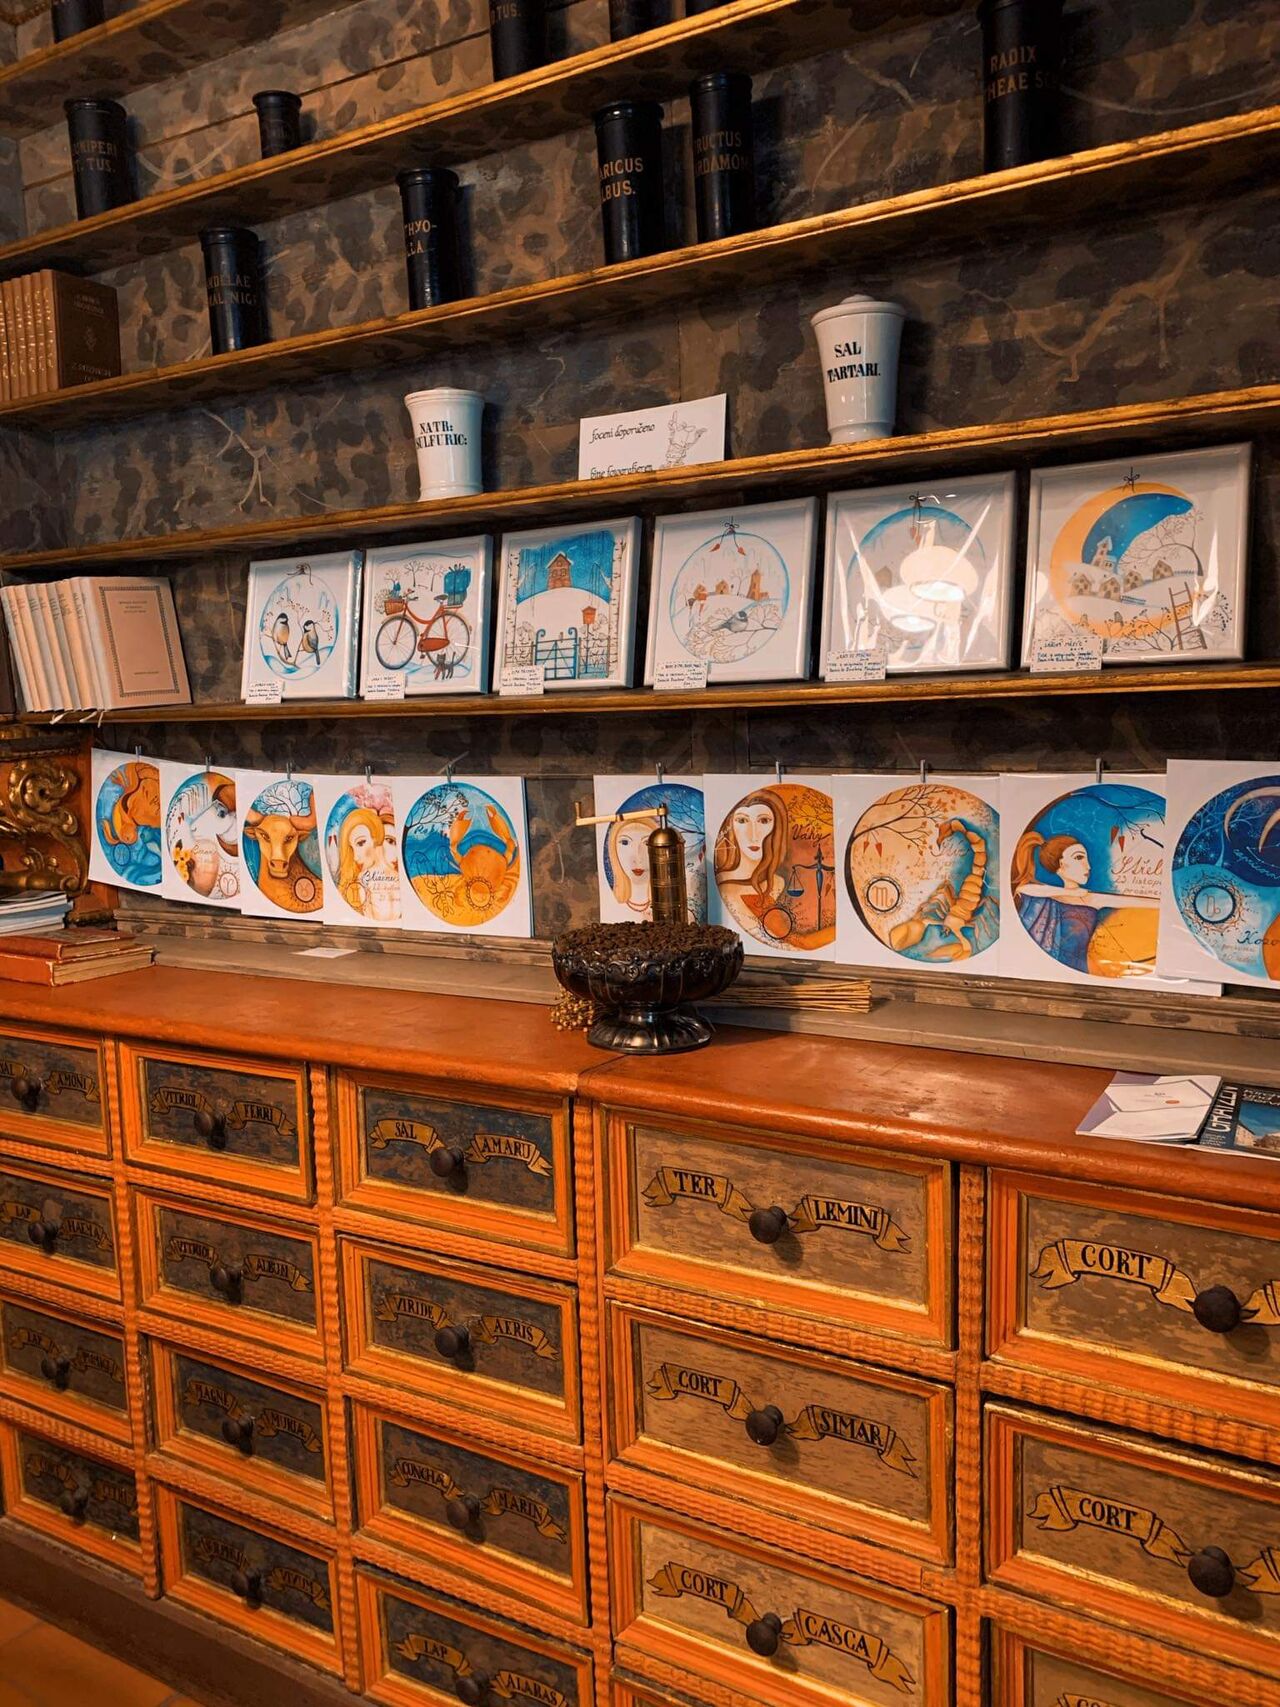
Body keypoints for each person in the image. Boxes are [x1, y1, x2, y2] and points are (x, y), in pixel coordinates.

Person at [1012, 829, 1155, 975]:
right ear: (1060, 864)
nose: (1088, 866)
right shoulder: (1043, 895)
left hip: (1079, 973)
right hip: (1046, 971)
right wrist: (1069, 892)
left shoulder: (1091, 898)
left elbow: (1135, 901)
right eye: (1079, 857)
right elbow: (1024, 889)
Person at [336, 807, 400, 921]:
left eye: (361, 843)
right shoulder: (361, 881)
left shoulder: (397, 877)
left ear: (377, 838)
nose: (355, 857)